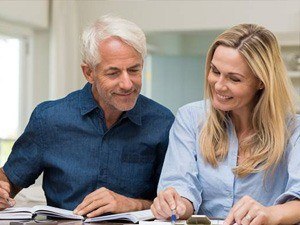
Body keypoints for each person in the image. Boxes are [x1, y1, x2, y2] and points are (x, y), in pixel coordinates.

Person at [0, 15, 174, 218]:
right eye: (113, 73)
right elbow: (10, 180)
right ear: (89, 73)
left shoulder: (162, 122)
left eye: (134, 70)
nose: (127, 84)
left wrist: (129, 204)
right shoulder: (49, 119)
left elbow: (172, 203)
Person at [151, 24, 300, 225]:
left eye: (234, 78)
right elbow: (181, 184)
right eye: (215, 71)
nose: (219, 85)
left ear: (261, 82)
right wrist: (176, 204)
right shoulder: (190, 118)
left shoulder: (294, 130)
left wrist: (271, 213)